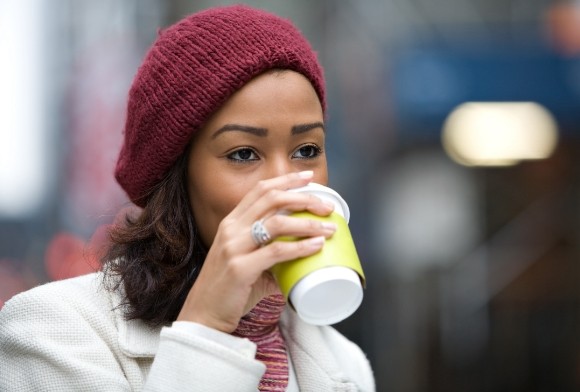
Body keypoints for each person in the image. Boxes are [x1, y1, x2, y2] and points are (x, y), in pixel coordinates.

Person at [0, 4, 375, 391]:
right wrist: (207, 327)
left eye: (307, 150)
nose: (286, 183)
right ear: (176, 177)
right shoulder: (52, 329)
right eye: (243, 153)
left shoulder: (345, 363)